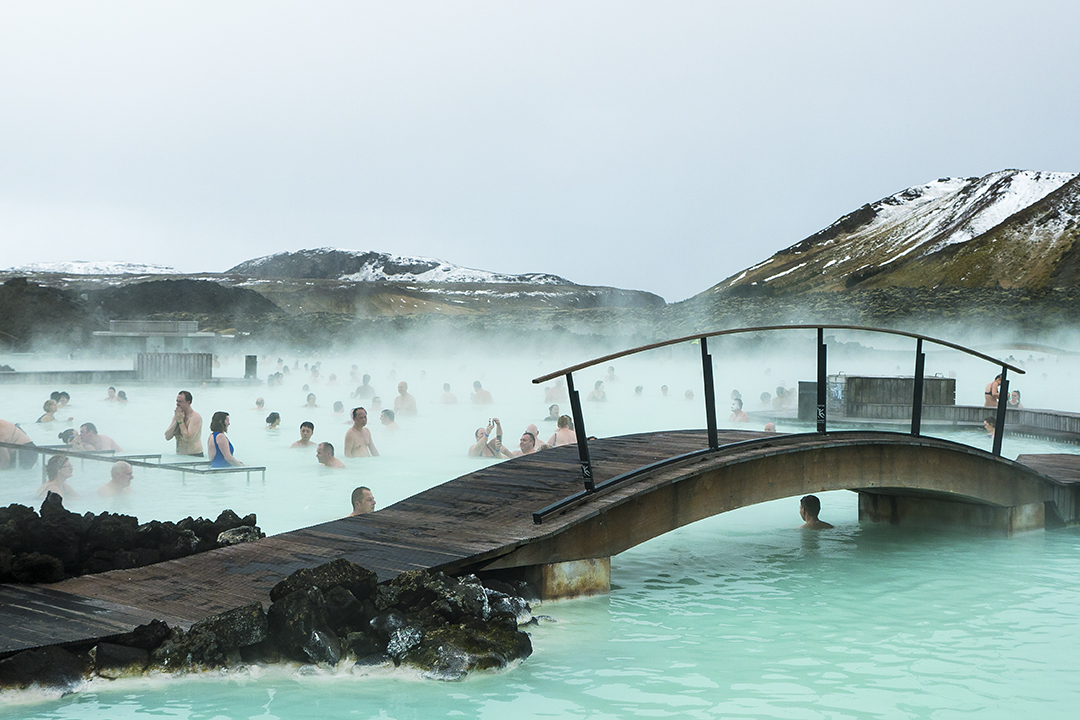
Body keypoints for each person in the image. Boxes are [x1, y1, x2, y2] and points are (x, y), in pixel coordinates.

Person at [165, 390, 204, 457]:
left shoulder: (195, 417)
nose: (177, 404)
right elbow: (167, 436)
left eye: (180, 401)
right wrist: (177, 420)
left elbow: (188, 438)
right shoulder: (177, 416)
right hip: (180, 455)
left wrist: (180, 421)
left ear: (188, 402)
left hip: (194, 455)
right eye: (177, 401)